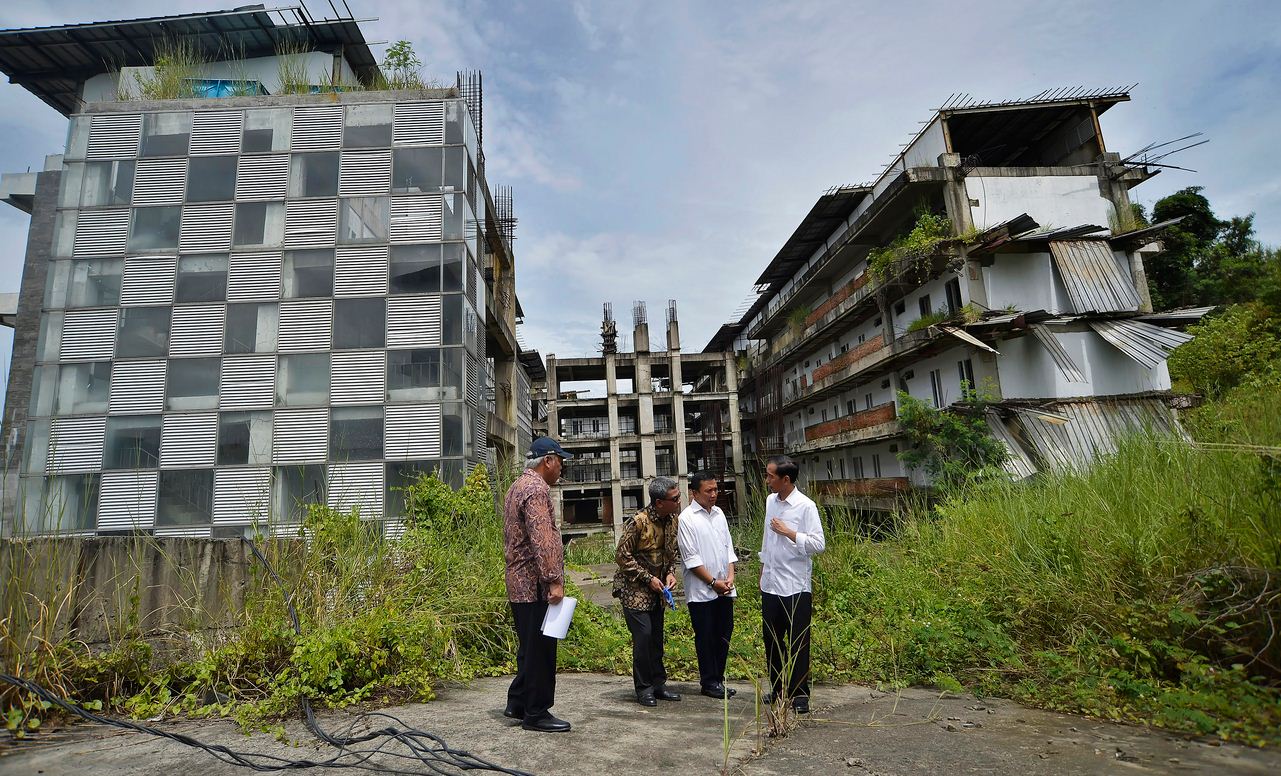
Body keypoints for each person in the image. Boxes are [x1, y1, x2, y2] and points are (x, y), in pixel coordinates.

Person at [502, 436, 573, 733]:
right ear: (548, 461)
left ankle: (517, 702)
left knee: (528, 648)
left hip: (519, 584)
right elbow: (542, 539)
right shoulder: (536, 489)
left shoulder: (518, 485)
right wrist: (554, 581)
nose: (561, 469)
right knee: (541, 650)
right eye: (561, 462)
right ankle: (536, 712)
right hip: (533, 585)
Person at [759, 455, 826, 714]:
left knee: (798, 641)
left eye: (770, 477)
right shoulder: (770, 502)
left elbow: (819, 544)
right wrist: (763, 569)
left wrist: (789, 532)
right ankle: (777, 688)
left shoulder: (805, 506)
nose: (767, 481)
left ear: (786, 479)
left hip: (796, 586)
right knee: (772, 640)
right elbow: (767, 538)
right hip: (772, 583)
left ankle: (800, 694)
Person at [613, 476, 683, 707]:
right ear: (659, 502)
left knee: (656, 638)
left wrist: (670, 573)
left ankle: (658, 684)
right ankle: (643, 689)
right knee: (643, 638)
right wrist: (648, 577)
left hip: (658, 590)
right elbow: (622, 556)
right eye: (675, 498)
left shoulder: (672, 519)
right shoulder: (638, 522)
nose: (679, 501)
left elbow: (670, 552)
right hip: (634, 589)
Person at [676, 471, 738, 699]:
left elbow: (728, 548)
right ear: (694, 493)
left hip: (725, 588)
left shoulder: (719, 513)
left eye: (716, 489)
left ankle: (718, 680)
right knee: (706, 636)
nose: (714, 494)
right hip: (703, 591)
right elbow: (691, 560)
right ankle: (709, 681)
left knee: (724, 634)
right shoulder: (687, 519)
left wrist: (730, 576)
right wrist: (713, 582)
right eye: (708, 491)